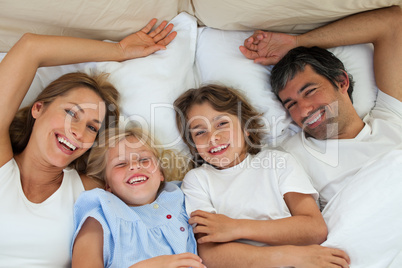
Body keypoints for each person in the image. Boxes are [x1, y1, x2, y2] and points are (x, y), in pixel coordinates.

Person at [0, 18, 176, 267]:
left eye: (92, 127)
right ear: (38, 108)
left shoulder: (91, 191)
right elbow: (31, 47)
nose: (78, 132)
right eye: (71, 113)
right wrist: (119, 51)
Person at [239, 5, 402, 208]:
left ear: (341, 82)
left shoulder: (392, 118)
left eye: (310, 92)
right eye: (291, 104)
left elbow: (393, 22)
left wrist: (298, 42)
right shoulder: (291, 155)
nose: (304, 110)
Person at [174, 84, 351, 268]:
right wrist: (291, 256)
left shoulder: (277, 162)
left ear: (245, 128)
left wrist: (236, 228)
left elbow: (314, 228)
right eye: (200, 132)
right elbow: (210, 255)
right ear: (193, 144)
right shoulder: (197, 180)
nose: (213, 137)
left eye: (222, 124)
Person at [71, 127, 205, 268]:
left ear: (160, 173)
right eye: (121, 164)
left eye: (144, 159)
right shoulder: (101, 218)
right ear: (107, 185)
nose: (134, 166)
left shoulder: (183, 196)